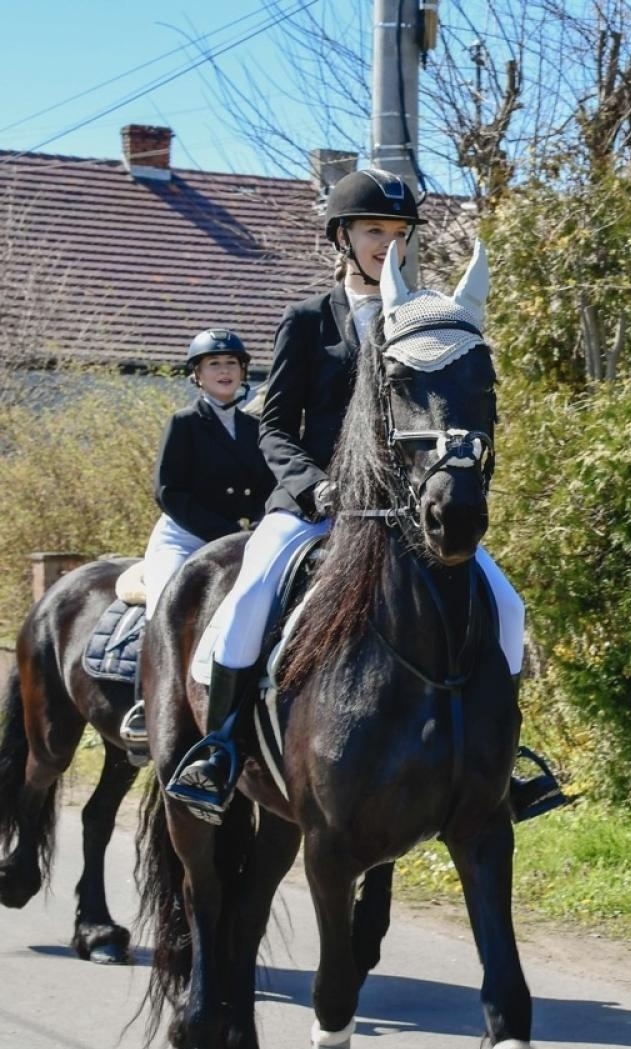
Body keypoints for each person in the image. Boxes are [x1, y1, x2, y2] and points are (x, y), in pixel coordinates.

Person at [164, 168, 555, 823]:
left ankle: (504, 759)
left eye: (399, 233)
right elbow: (276, 425)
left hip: (404, 513)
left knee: (506, 605)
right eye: (375, 230)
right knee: (250, 594)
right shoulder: (309, 321)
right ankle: (222, 747)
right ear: (343, 236)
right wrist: (312, 486)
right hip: (314, 508)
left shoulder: (428, 317)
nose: (388, 243)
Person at [120, 329, 273, 751]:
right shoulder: (184, 423)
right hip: (184, 535)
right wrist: (227, 534)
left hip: (239, 537)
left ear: (242, 372)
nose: (223, 371)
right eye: (213, 365)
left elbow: (267, 485)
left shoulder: (254, 427)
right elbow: (168, 491)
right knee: (165, 606)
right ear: (198, 376)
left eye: (230, 364)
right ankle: (142, 705)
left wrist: (262, 524)